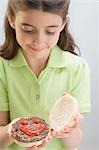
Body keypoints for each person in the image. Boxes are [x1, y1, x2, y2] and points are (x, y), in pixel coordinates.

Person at [0, 0, 91, 150]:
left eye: (50, 31)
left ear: (63, 24)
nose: (39, 41)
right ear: (11, 19)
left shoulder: (77, 68)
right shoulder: (2, 67)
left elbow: (74, 144)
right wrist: (12, 131)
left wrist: (70, 131)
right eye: (28, 29)